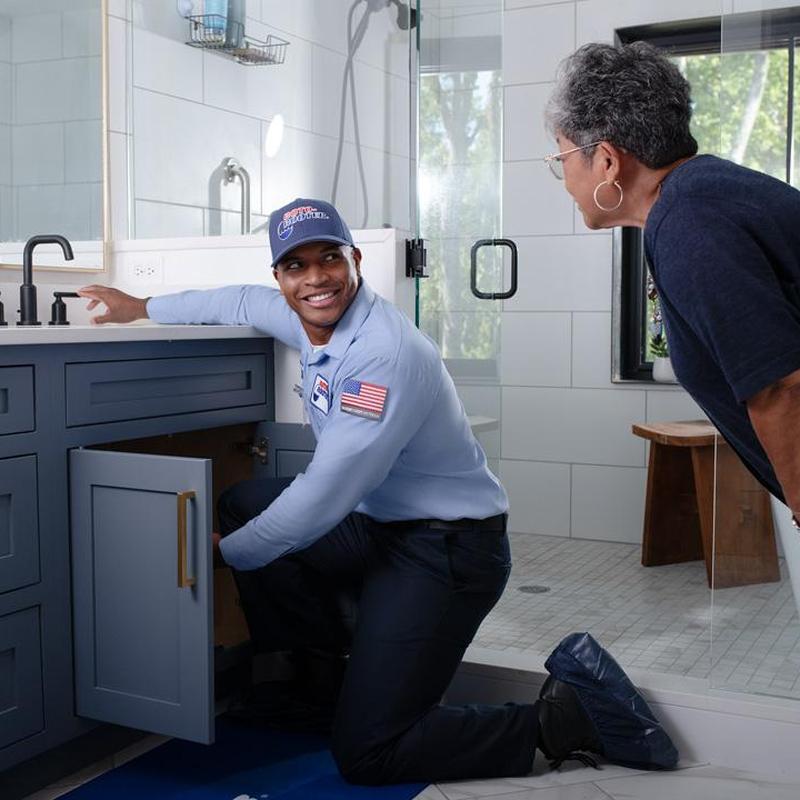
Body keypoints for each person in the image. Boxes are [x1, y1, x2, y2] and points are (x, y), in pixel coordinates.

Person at [78, 198, 671, 785]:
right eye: (296, 265)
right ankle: (318, 688)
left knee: (368, 752)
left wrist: (223, 555)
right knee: (243, 506)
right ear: (281, 277)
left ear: (355, 261)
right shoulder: (307, 315)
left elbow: (321, 500)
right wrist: (139, 306)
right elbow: (236, 301)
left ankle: (565, 717)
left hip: (448, 550)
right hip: (381, 526)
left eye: (329, 259)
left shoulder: (383, 354)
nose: (315, 279)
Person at [544, 41, 800, 528]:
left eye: (563, 157)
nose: (564, 179)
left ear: (607, 161)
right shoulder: (700, 195)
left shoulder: (689, 222)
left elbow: (780, 388)